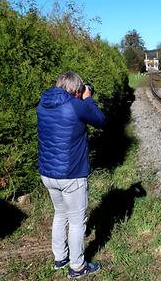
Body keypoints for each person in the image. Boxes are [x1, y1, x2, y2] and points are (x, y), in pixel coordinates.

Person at [37, 71, 106, 278]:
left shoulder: (43, 104)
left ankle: (60, 258)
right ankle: (77, 267)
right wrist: (88, 99)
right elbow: (101, 120)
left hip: (48, 173)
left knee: (60, 214)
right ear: (76, 89)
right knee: (77, 222)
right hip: (71, 174)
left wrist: (81, 97)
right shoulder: (76, 105)